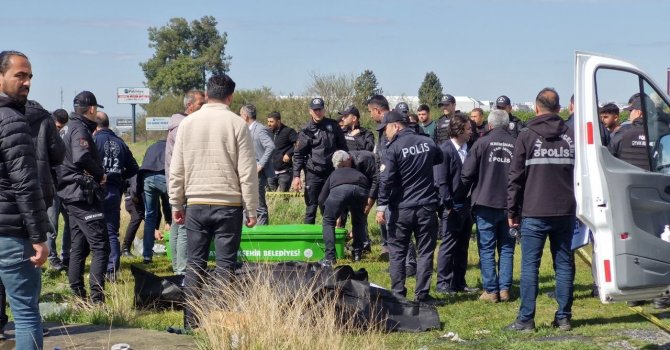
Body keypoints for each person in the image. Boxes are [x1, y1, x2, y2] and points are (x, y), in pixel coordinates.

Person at [169, 74, 258, 329]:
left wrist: (176, 204)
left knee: (194, 264)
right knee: (225, 266)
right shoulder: (238, 124)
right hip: (229, 206)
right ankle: (221, 322)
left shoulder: (188, 123)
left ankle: (191, 322)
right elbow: (247, 172)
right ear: (230, 97)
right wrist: (251, 208)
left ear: (207, 95)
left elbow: (177, 169)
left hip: (195, 203)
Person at [507, 88, 576, 332]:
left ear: (536, 108)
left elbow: (515, 177)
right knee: (565, 264)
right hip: (566, 210)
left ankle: (526, 319)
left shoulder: (526, 135)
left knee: (529, 266)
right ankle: (564, 317)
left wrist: (511, 211)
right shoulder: (571, 134)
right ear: (559, 109)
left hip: (534, 210)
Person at [0, 50, 51, 349]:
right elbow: (25, 184)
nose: (27, 82)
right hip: (11, 233)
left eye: (29, 76)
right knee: (27, 314)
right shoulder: (12, 121)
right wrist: (38, 236)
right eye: (20, 75)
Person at [376, 111, 443, 305]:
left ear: (396, 126)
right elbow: (439, 158)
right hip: (426, 206)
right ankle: (422, 295)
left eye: (385, 129)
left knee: (397, 252)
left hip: (401, 209)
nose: (384, 134)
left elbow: (385, 180)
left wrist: (381, 206)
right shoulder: (427, 142)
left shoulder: (393, 148)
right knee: (425, 252)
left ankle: (398, 294)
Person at [58, 90, 110, 304]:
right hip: (81, 195)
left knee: (79, 245)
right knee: (101, 246)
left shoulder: (68, 127)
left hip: (69, 193)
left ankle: (78, 296)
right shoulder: (79, 128)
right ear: (91, 109)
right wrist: (100, 174)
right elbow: (81, 157)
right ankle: (98, 300)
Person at [461, 109, 516, 303]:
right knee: (507, 248)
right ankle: (505, 289)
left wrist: (462, 195)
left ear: (490, 125)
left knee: (486, 248)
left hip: (485, 203)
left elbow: (466, 173)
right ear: (507, 125)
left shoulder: (481, 143)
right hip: (510, 205)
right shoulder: (516, 144)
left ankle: (491, 290)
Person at [435, 113, 477, 295]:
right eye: (468, 129)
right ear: (458, 130)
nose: (471, 132)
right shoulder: (444, 150)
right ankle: (443, 283)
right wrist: (448, 205)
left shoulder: (470, 148)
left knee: (463, 245)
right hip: (452, 206)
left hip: (467, 205)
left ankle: (458, 282)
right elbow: (441, 181)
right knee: (448, 245)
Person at [93, 112, 138, 280]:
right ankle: (112, 270)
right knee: (112, 231)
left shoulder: (94, 140)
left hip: (97, 189)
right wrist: (120, 177)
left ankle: (98, 268)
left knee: (95, 230)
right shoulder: (120, 142)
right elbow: (133, 168)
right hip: (114, 190)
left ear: (95, 126)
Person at [165, 90, 205, 274]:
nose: (203, 108)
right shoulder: (185, 125)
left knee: (176, 224)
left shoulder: (177, 123)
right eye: (200, 104)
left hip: (175, 180)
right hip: (183, 181)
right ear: (189, 105)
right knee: (183, 227)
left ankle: (177, 265)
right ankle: (181, 269)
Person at [292, 97, 348, 224]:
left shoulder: (333, 126)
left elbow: (343, 148)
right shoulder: (305, 130)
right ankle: (308, 241)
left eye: (320, 109)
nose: (318, 112)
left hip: (331, 172)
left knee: (330, 205)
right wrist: (296, 176)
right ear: (310, 111)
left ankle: (330, 237)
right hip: (313, 173)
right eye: (315, 110)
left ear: (324, 110)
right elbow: (299, 154)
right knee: (311, 207)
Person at [318, 150, 370, 264]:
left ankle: (330, 257)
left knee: (328, 221)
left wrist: (325, 212)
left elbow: (321, 198)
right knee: (359, 221)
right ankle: (357, 254)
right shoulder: (357, 171)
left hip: (340, 190)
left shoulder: (334, 174)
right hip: (361, 188)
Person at [240, 104, 275, 225]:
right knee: (247, 204)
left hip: (257, 174)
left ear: (245, 116)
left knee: (258, 205)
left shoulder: (260, 129)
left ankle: (261, 235)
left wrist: (260, 165)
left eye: (240, 115)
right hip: (247, 171)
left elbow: (270, 146)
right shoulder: (246, 129)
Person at [137, 139, 171, 264]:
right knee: (179, 210)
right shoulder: (171, 145)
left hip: (147, 179)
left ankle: (147, 255)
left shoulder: (152, 147)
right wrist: (169, 220)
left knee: (150, 216)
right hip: (164, 177)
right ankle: (176, 253)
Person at [48, 108, 72, 270]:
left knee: (70, 222)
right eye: (57, 127)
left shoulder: (68, 135)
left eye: (62, 127)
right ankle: (52, 258)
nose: (59, 130)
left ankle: (67, 256)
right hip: (52, 187)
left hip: (67, 186)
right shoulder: (44, 136)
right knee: (52, 225)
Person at [608, 94, 649, 171]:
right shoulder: (656, 132)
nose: (629, 115)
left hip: (627, 179)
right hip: (653, 180)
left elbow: (608, 156)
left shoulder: (623, 132)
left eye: (631, 111)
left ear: (639, 113)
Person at [267, 112, 298, 192]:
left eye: (271, 122)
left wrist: (289, 154)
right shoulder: (267, 132)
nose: (269, 124)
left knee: (284, 198)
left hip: (285, 172)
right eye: (268, 121)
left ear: (278, 122)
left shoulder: (288, 131)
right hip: (270, 172)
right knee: (270, 198)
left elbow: (298, 144)